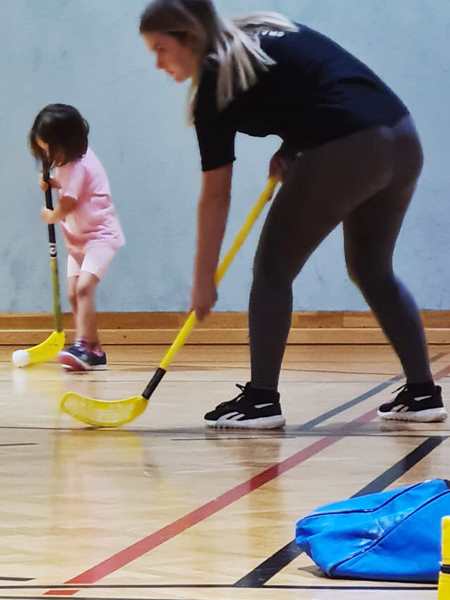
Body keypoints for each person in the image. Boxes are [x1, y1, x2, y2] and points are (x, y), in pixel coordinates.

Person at [139, 0, 447, 427]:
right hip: (401, 140)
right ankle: (422, 393)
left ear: (189, 38)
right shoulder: (265, 30)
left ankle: (261, 400)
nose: (158, 63)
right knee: (371, 268)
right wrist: (292, 145)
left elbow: (216, 195)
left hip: (349, 148)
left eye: (160, 49)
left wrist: (203, 278)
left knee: (272, 269)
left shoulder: (214, 82)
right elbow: (323, 87)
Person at [29, 103, 125, 370]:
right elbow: (70, 187)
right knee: (73, 293)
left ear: (66, 143)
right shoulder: (67, 161)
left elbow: (70, 202)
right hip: (78, 240)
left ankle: (83, 345)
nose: (46, 155)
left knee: (84, 289)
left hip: (99, 237)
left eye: (49, 149)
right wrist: (52, 183)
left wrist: (53, 215)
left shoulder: (80, 166)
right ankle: (94, 350)